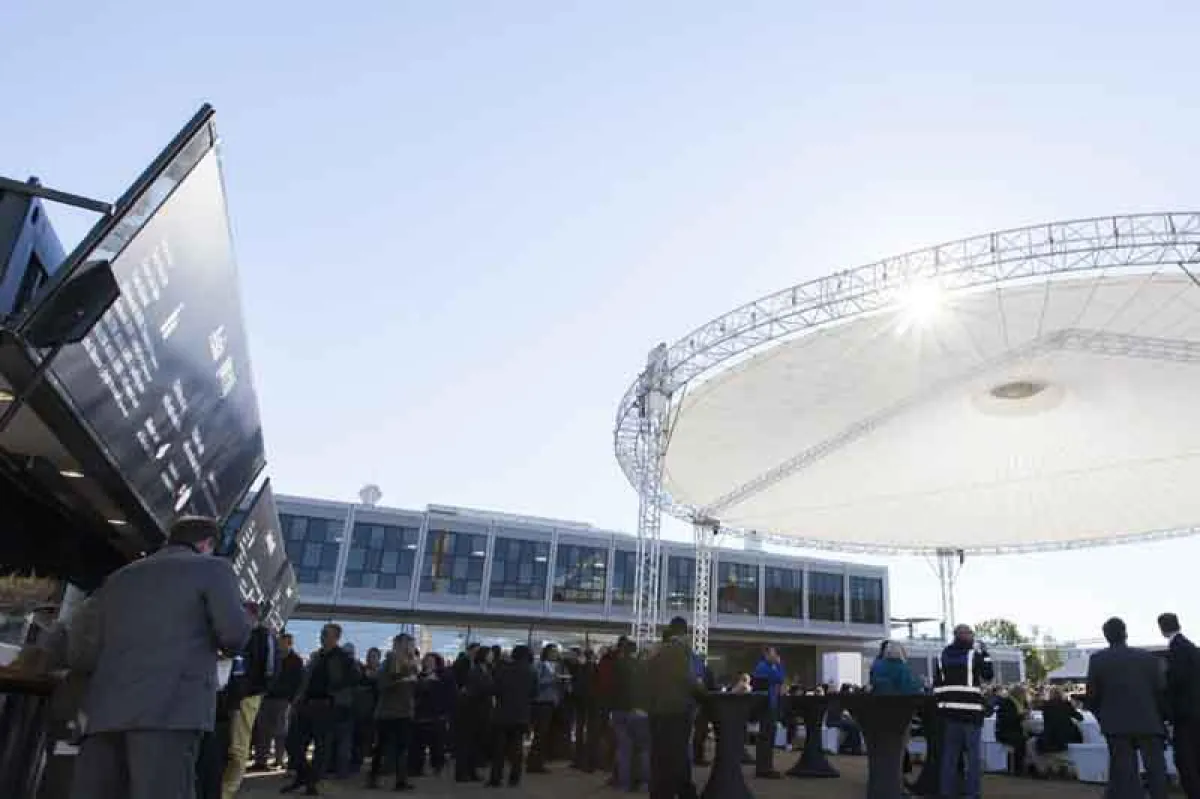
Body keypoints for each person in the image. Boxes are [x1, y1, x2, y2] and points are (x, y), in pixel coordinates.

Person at [68, 515, 251, 799]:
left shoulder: (120, 577)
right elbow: (234, 636)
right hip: (170, 710)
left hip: (105, 710)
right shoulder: (214, 569)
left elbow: (84, 652)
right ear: (207, 544)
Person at [1086, 616, 1169, 799]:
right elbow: (1161, 692)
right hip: (1148, 720)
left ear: (1106, 637)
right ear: (1126, 633)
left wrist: (1103, 716)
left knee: (1125, 772)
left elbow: (1091, 696)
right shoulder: (1148, 658)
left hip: (1116, 724)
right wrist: (1160, 717)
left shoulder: (1098, 660)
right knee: (1156, 769)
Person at [282, 623, 358, 796]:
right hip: (308, 704)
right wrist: (298, 699)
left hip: (327, 705)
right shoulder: (317, 656)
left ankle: (312, 782)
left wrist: (337, 692)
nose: (322, 636)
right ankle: (305, 776)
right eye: (322, 633)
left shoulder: (343, 657)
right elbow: (306, 680)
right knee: (293, 742)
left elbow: (354, 677)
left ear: (336, 637)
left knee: (321, 747)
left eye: (326, 634)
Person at [222, 601, 276, 799]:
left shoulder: (262, 637)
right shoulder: (234, 635)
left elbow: (269, 671)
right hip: (228, 695)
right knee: (227, 744)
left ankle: (227, 790)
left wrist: (255, 691)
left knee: (238, 747)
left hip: (247, 697)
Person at [646, 616, 704, 799]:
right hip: (677, 710)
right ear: (683, 633)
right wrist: (703, 694)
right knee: (677, 757)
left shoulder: (657, 651)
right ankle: (682, 793)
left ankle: (659, 793)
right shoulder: (680, 651)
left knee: (660, 758)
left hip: (657, 711)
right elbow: (688, 680)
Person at [933, 623, 994, 799]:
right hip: (971, 713)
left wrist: (941, 707)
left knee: (950, 756)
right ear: (965, 635)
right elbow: (988, 675)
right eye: (971, 634)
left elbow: (937, 684)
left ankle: (946, 792)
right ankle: (972, 793)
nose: (973, 636)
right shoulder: (973, 655)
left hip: (949, 713)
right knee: (973, 757)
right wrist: (985, 654)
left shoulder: (941, 656)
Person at [368, 634, 419, 791]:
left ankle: (400, 780)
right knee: (382, 748)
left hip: (402, 711)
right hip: (388, 712)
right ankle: (376, 778)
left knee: (400, 747)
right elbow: (383, 683)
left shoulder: (410, 663)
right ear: (399, 645)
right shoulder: (390, 661)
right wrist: (404, 679)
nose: (412, 648)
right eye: (409, 644)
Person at [1158, 612, 1200, 796]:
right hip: (1195, 710)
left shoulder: (1176, 649)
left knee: (1185, 759)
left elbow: (1176, 680)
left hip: (1185, 714)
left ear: (1162, 629)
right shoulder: (1191, 647)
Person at [489, 643, 538, 787]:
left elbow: (495, 689)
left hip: (502, 714)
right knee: (517, 749)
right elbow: (534, 694)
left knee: (499, 749)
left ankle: (496, 779)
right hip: (521, 715)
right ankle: (514, 779)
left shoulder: (503, 670)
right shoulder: (532, 672)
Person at [751, 646, 785, 778]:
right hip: (766, 706)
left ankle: (766, 766)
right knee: (766, 737)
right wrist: (779, 664)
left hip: (771, 705)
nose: (775, 656)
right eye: (773, 654)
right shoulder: (763, 667)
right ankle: (763, 768)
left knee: (769, 737)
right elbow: (780, 678)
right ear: (766, 654)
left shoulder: (770, 667)